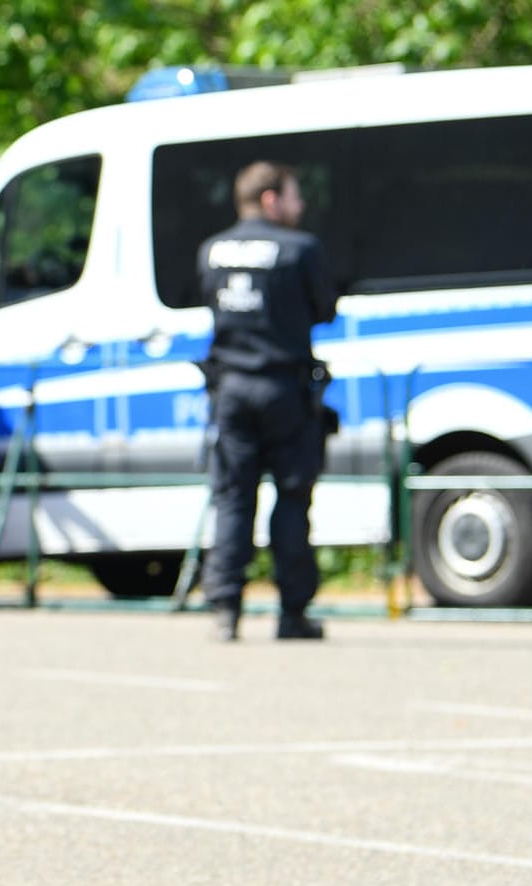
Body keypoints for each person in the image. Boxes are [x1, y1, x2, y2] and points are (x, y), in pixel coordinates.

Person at [198, 161, 338, 642]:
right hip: (284, 390)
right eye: (295, 197)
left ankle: (226, 610)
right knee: (292, 499)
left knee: (234, 498)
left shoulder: (212, 250)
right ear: (271, 199)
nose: (300, 207)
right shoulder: (300, 249)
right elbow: (325, 308)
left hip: (231, 390)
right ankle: (292, 613)